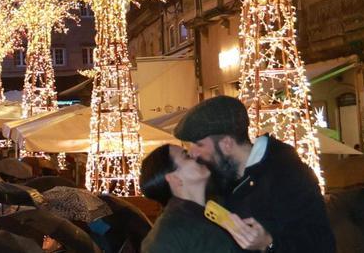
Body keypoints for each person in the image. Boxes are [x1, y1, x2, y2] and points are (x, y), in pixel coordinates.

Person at [175, 96, 335, 253]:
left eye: (199, 145)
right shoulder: (223, 178)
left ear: (226, 144)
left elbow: (320, 244)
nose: (192, 153)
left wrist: (268, 243)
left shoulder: (287, 174)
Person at [138, 144, 239, 252]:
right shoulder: (168, 234)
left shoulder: (218, 209)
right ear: (174, 178)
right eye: (186, 155)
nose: (196, 154)